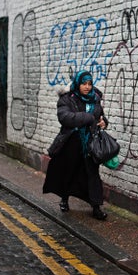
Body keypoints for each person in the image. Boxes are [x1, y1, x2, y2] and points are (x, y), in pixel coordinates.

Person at [43, 70, 109, 220]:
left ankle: (96, 208)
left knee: (93, 175)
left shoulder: (95, 98)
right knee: (70, 172)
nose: (87, 87)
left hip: (90, 144)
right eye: (83, 84)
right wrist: (87, 117)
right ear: (77, 84)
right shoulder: (68, 99)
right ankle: (64, 199)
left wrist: (104, 121)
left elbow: (100, 115)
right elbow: (65, 117)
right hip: (72, 142)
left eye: (89, 84)